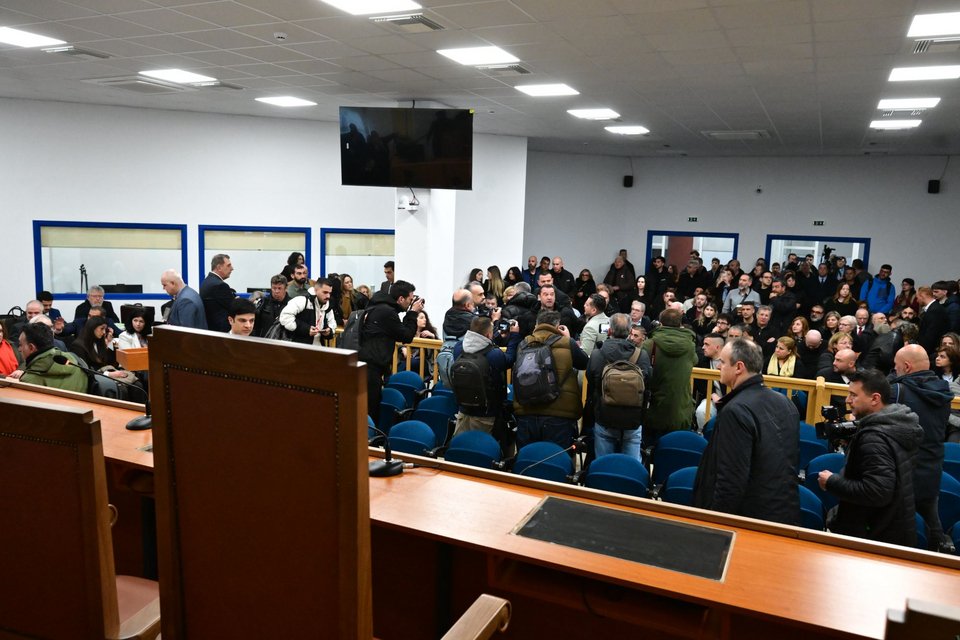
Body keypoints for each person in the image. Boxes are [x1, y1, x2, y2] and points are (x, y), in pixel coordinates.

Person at [692, 338, 800, 524]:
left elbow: (731, 480)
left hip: (748, 520)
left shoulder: (735, 411)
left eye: (723, 362)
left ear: (739, 367)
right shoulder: (785, 403)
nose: (719, 367)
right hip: (784, 514)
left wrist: (714, 524)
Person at [819, 370, 923, 547]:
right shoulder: (896, 424)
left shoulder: (875, 438)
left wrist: (832, 482)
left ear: (875, 398)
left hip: (874, 538)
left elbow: (877, 492)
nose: (847, 400)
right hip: (891, 528)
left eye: (853, 395)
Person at [890, 345, 955, 553]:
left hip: (901, 470)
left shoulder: (897, 390)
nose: (895, 370)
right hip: (932, 468)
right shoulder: (944, 392)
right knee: (931, 528)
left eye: (896, 366)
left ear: (907, 367)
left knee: (896, 530)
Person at [513, 310, 588, 451]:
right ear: (558, 326)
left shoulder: (523, 343)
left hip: (526, 409)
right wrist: (568, 338)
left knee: (527, 457)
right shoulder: (566, 342)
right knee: (556, 458)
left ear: (536, 325)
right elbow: (584, 363)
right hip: (559, 413)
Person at [586, 313, 651, 460]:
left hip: (605, 416)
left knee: (604, 463)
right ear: (630, 332)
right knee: (631, 465)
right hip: (633, 418)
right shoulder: (641, 355)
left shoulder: (597, 354)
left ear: (610, 331)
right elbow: (647, 382)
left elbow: (591, 380)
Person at [450, 315, 520, 440]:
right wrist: (514, 336)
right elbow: (509, 359)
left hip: (464, 410)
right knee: (480, 447)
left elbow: (482, 344)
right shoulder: (494, 354)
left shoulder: (459, 348)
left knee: (461, 444)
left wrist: (496, 335)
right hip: (486, 413)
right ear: (488, 335)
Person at [359, 281, 422, 417]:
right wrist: (413, 313)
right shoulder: (387, 312)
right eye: (410, 299)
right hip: (372, 368)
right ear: (401, 299)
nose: (411, 303)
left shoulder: (377, 306)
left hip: (365, 364)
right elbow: (406, 336)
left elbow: (399, 332)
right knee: (371, 409)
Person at [642, 308, 697, 444]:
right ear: (680, 324)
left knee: (652, 450)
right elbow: (695, 361)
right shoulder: (690, 345)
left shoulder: (649, 344)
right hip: (681, 407)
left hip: (654, 407)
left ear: (660, 323)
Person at [16, 323, 88, 392]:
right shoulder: (79, 364)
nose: (19, 349)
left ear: (31, 348)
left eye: (20, 344)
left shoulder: (29, 381)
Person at [279, 277, 336, 346]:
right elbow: (284, 317)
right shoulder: (302, 300)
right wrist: (306, 329)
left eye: (330, 293)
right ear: (315, 290)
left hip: (319, 347)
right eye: (325, 292)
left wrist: (329, 332)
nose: (328, 296)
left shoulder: (328, 306)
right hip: (299, 347)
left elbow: (332, 325)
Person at [200, 253, 236, 332]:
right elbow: (235, 308)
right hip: (221, 332)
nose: (232, 268)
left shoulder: (207, 281)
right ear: (219, 267)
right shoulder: (220, 286)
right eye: (228, 265)